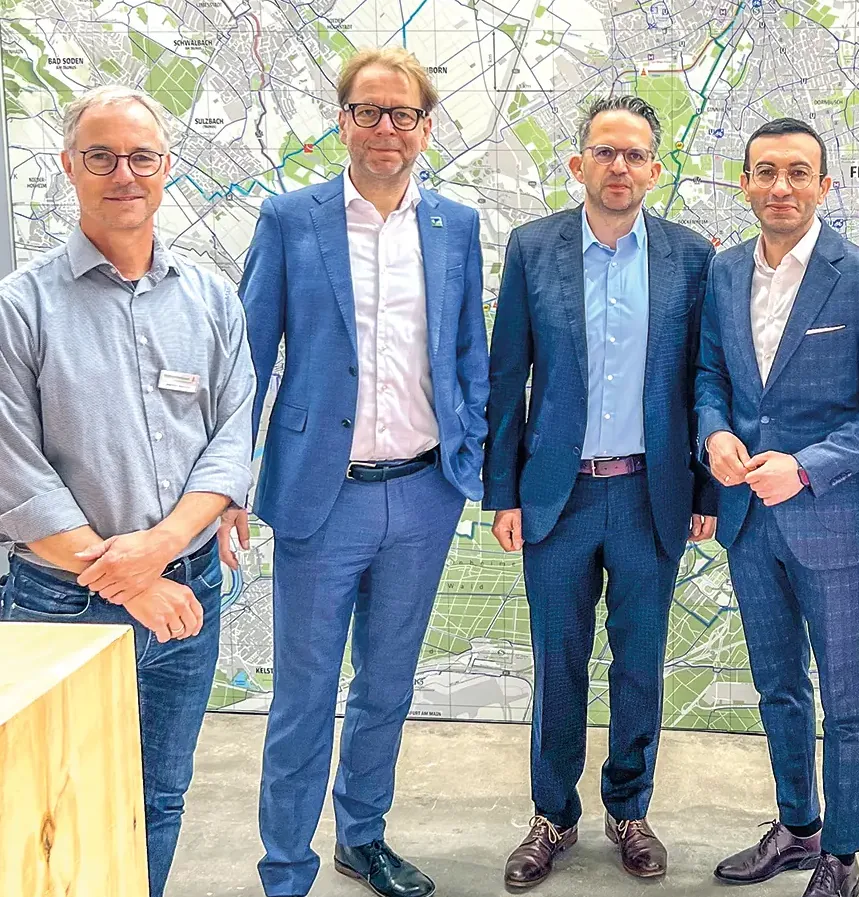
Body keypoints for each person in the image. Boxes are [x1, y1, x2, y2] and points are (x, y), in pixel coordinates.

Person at [230, 47, 488, 897]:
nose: (386, 128)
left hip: (423, 493)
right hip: (321, 496)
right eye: (369, 111)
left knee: (386, 683)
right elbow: (248, 362)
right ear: (342, 122)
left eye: (402, 114)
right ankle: (285, 870)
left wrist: (472, 462)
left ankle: (362, 836)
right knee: (304, 695)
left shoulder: (455, 224)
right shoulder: (290, 219)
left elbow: (467, 357)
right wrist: (229, 481)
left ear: (425, 127)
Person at [0, 85, 254, 897]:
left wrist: (157, 553)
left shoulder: (212, 298)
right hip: (57, 603)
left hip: (187, 594)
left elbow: (231, 436)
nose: (124, 174)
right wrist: (130, 579)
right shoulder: (20, 306)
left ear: (167, 169)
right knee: (48, 804)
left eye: (141, 157)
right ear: (70, 166)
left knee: (159, 793)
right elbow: (15, 469)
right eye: (102, 156)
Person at [484, 95, 717, 888]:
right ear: (578, 162)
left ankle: (629, 807)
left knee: (641, 663)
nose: (620, 166)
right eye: (604, 152)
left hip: (652, 494)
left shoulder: (690, 257)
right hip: (558, 497)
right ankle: (553, 813)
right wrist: (502, 493)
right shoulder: (531, 247)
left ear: (655, 168)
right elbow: (505, 374)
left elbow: (700, 381)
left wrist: (707, 495)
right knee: (560, 662)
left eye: (635, 154)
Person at [695, 118, 859, 897]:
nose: (779, 186)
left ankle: (842, 851)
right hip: (748, 521)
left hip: (832, 519)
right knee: (778, 686)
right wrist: (714, 431)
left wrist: (808, 466)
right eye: (764, 172)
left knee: (848, 697)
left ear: (825, 185)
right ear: (745, 182)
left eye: (797, 172)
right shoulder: (722, 272)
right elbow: (710, 374)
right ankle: (797, 824)